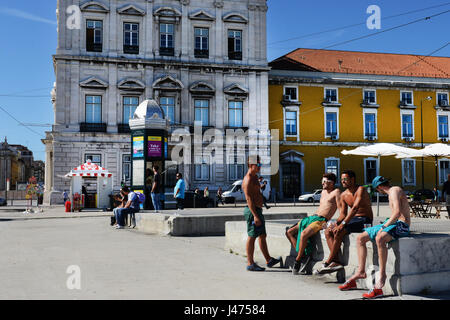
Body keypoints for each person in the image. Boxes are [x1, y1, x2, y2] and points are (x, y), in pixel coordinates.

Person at [338, 176, 411, 299]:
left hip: (402, 225)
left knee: (380, 238)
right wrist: (385, 225)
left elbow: (397, 212)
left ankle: (381, 277)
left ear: (379, 187)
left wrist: (384, 227)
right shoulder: (392, 192)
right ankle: (361, 272)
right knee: (360, 238)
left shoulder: (394, 190)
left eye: (377, 190)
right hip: (392, 222)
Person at [318, 170, 373, 274]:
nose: (343, 181)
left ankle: (329, 261)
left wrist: (343, 224)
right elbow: (343, 214)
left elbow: (355, 208)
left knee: (339, 231)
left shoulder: (360, 189)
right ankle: (336, 262)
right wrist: (335, 223)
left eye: (345, 179)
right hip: (352, 220)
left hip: (365, 220)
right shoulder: (343, 195)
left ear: (352, 180)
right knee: (328, 231)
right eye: (342, 179)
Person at [285, 173, 341, 275]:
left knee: (304, 234)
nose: (323, 183)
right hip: (312, 217)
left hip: (321, 220)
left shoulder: (336, 192)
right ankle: (302, 254)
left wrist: (338, 223)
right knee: (289, 232)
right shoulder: (323, 192)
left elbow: (341, 209)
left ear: (332, 183)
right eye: (322, 181)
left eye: (325, 181)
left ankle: (298, 261)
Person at [242, 155, 281, 271]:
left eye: (260, 164)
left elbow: (256, 192)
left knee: (262, 235)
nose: (260, 167)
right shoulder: (248, 179)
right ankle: (250, 263)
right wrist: (255, 216)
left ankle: (269, 259)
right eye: (258, 165)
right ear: (250, 165)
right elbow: (249, 199)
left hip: (258, 210)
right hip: (252, 211)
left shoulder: (255, 177)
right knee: (252, 236)